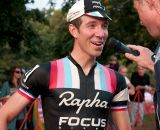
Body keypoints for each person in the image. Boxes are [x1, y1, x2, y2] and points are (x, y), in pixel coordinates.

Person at [0, 0, 131, 130]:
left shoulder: (116, 79)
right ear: (74, 30)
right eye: (92, 25)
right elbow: (3, 116)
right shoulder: (46, 72)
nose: (101, 33)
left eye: (104, 26)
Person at [124, 0, 160, 129]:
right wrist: (153, 63)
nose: (141, 21)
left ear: (151, 2)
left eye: (138, 9)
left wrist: (153, 64)